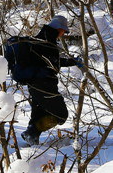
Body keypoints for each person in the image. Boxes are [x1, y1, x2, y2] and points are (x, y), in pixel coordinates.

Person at [11, 15, 82, 145]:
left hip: (36, 84)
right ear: (58, 28)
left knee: (38, 114)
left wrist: (71, 61)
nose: (63, 34)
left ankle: (32, 144)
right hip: (43, 84)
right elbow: (51, 63)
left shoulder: (42, 39)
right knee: (61, 115)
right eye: (63, 31)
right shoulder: (46, 41)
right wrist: (70, 61)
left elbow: (49, 62)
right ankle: (31, 134)